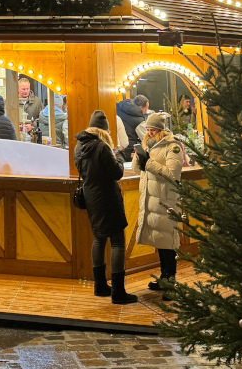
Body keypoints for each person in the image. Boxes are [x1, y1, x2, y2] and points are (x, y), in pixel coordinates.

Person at [74, 111, 137, 304]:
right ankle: (118, 292)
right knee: (117, 240)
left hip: (91, 196)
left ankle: (100, 285)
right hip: (107, 197)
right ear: (104, 131)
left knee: (99, 237)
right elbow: (117, 172)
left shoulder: (79, 146)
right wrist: (117, 156)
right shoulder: (102, 147)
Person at [134, 113, 184, 293]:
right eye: (147, 130)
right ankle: (164, 277)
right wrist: (139, 157)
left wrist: (148, 163)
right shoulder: (148, 144)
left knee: (168, 241)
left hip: (165, 200)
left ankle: (170, 280)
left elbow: (172, 174)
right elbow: (138, 169)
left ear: (161, 130)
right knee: (160, 241)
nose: (149, 133)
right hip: (151, 199)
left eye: (152, 130)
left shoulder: (173, 146)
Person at [115, 94, 148, 162]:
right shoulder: (138, 120)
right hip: (127, 151)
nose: (145, 112)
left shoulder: (118, 108)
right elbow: (146, 137)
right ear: (140, 108)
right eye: (145, 109)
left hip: (115, 148)